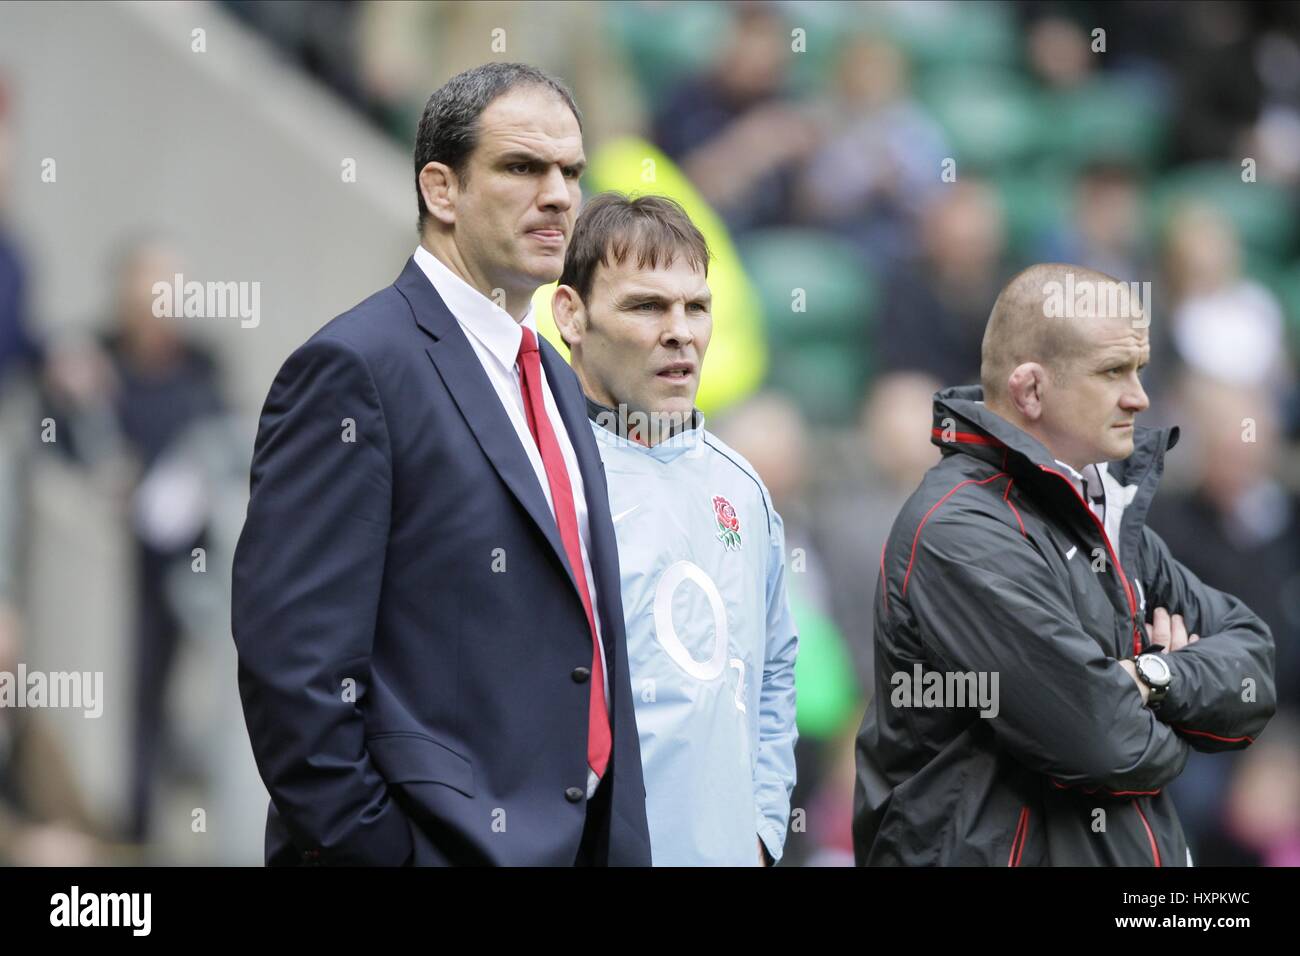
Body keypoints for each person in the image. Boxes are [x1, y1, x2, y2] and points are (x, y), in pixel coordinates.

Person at [232, 64, 650, 866]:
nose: (560, 195)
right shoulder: (354, 369)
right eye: (523, 167)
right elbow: (297, 677)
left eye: (571, 171)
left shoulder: (557, 378)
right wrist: (390, 854)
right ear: (442, 189)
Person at [854, 262, 1276, 866]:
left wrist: (1154, 678)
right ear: (1029, 390)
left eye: (1139, 370)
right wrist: (1169, 694)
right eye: (1113, 372)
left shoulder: (1103, 513)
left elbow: (1253, 667)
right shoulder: (957, 531)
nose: (1140, 396)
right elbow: (1105, 741)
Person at [551, 193, 797, 865]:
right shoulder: (541, 477)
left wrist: (763, 830)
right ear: (571, 314)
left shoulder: (742, 489)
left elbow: (775, 669)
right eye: (646, 306)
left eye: (696, 307)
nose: (680, 331)